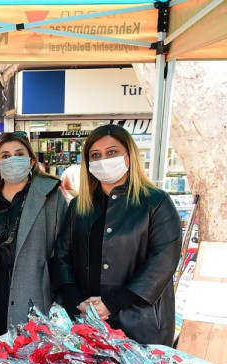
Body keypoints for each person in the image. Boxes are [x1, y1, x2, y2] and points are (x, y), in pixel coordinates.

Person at [49, 124, 181, 345]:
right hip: (84, 322)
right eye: (95, 155)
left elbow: (163, 261)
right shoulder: (79, 206)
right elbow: (61, 256)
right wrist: (77, 300)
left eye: (112, 152)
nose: (103, 160)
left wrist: (113, 304)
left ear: (129, 156)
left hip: (139, 324)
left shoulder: (156, 202)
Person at [0, 132, 68, 343]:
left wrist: (61, 299)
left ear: (31, 161)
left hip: (33, 294)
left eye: (19, 154)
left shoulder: (51, 196)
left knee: (28, 355)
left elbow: (64, 252)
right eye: (5, 156)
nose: (12, 159)